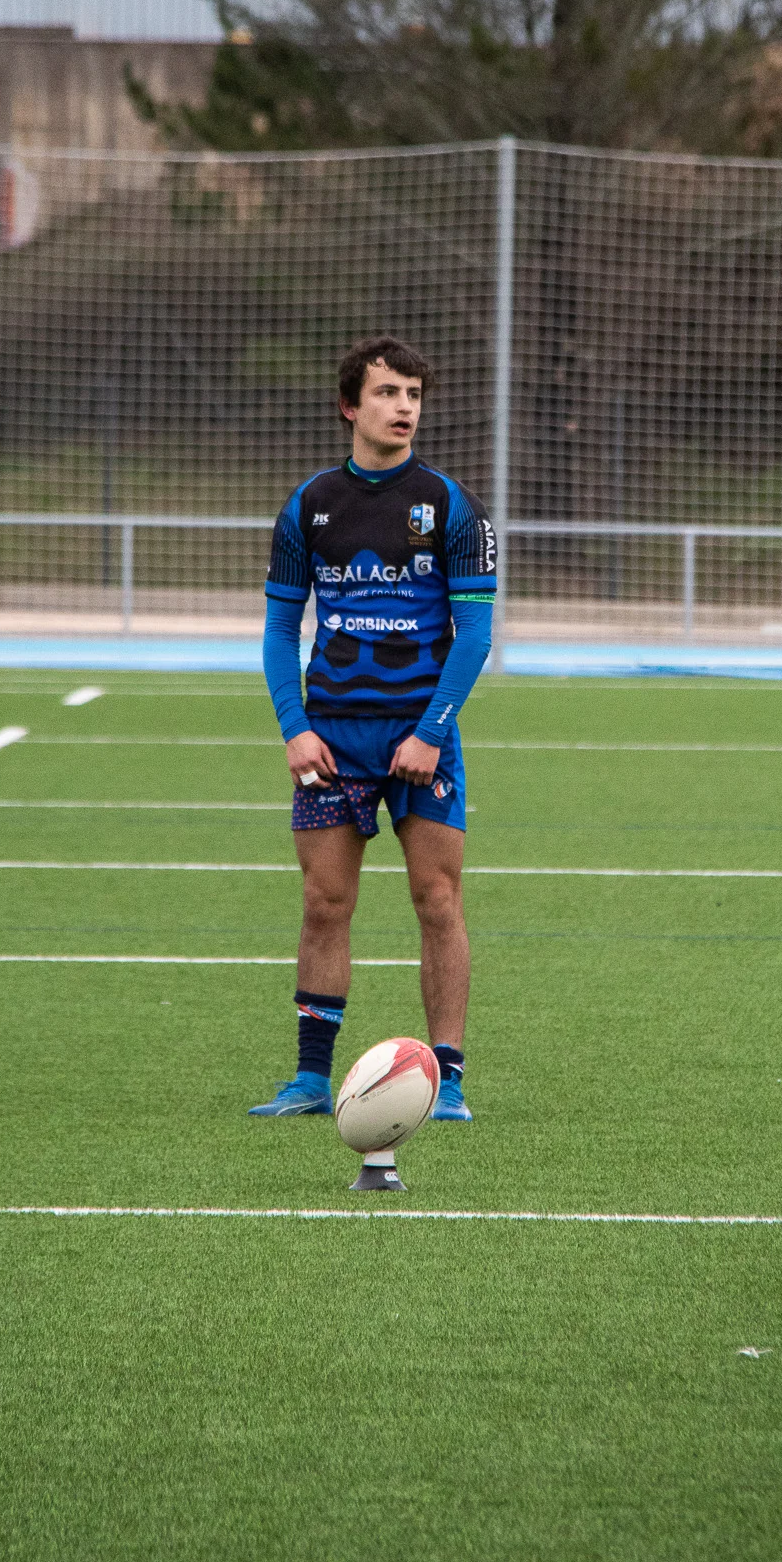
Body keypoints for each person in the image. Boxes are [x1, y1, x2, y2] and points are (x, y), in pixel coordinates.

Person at [251, 335, 496, 1122]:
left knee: (437, 898)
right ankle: (308, 1080)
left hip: (422, 736)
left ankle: (447, 1081)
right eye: (388, 392)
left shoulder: (453, 507)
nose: (404, 408)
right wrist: (294, 727)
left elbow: (475, 637)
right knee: (324, 902)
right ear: (349, 406)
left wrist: (430, 732)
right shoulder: (308, 506)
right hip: (331, 738)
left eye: (413, 395)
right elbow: (279, 631)